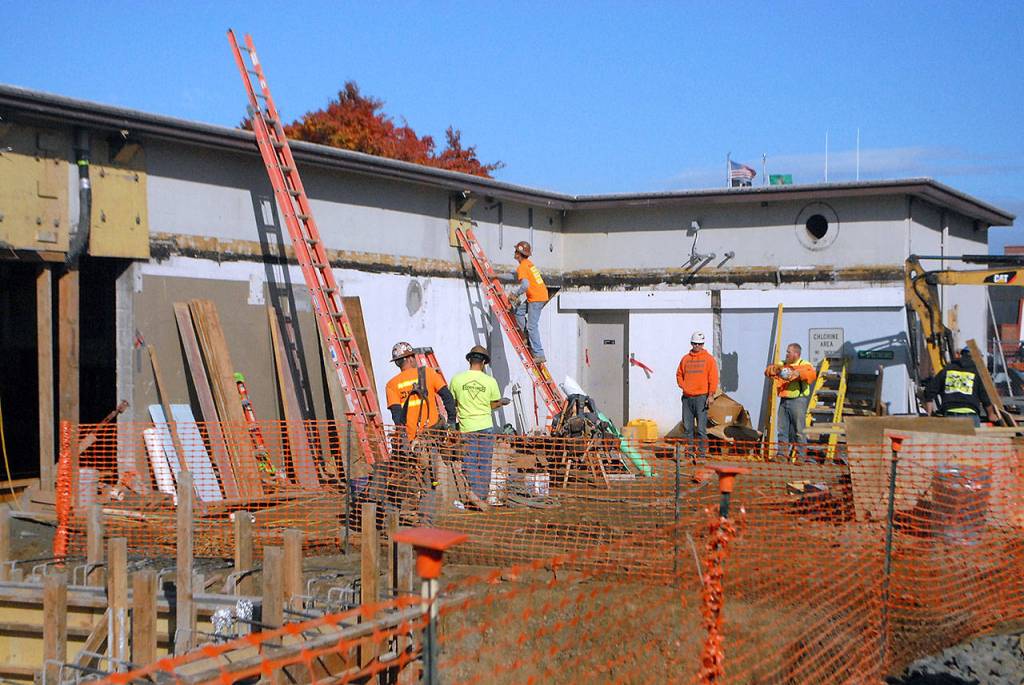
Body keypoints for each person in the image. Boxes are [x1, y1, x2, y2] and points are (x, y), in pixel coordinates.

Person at [449, 345, 510, 506]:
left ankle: (477, 494)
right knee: (484, 461)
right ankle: (481, 495)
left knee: (469, 461)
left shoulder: (457, 379)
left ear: (470, 360)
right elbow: (493, 404)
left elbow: (453, 403)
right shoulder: (490, 381)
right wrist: (499, 403)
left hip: (466, 427)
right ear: (483, 362)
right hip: (485, 426)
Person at [384, 342, 457, 441]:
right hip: (433, 434)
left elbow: (396, 415)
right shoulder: (429, 373)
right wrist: (451, 421)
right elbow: (447, 396)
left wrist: (403, 437)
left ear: (397, 363)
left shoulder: (391, 385)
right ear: (410, 359)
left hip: (411, 439)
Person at [764, 343, 817, 460]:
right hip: (784, 400)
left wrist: (797, 373)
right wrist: (775, 370)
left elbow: (812, 374)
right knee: (782, 430)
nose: (786, 354)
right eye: (787, 352)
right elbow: (768, 371)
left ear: (796, 354)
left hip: (798, 401)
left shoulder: (805, 364)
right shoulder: (782, 365)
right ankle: (782, 456)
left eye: (789, 352)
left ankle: (801, 457)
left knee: (799, 430)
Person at [923, 347, 997, 427]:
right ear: (977, 357)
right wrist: (991, 414)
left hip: (949, 416)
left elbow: (929, 391)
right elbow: (985, 396)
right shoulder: (977, 372)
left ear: (961, 355)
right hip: (970, 417)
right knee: (970, 440)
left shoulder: (947, 370)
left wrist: (929, 413)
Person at [675, 332, 719, 458]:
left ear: (703, 344)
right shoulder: (685, 359)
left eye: (699, 344)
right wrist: (684, 386)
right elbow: (679, 374)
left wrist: (711, 395)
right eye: (695, 344)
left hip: (701, 398)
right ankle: (688, 454)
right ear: (691, 343)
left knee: (701, 429)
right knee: (688, 428)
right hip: (687, 398)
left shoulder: (709, 359)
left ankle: (701, 454)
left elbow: (713, 378)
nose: (697, 346)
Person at [510, 241, 549, 363]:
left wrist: (515, 294)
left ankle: (539, 354)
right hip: (539, 296)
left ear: (519, 254)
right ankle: (526, 337)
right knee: (518, 312)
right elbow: (517, 277)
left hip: (536, 298)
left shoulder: (522, 266)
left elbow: (525, 284)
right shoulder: (528, 264)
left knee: (532, 326)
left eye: (516, 251)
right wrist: (496, 275)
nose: (514, 253)